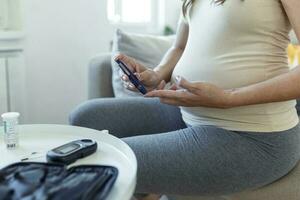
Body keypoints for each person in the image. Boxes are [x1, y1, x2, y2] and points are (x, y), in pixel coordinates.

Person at [70, 0, 300, 199]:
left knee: (104, 162)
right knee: (85, 117)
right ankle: (152, 186)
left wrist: (228, 98)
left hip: (252, 135)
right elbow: (180, 47)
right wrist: (157, 74)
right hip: (189, 112)